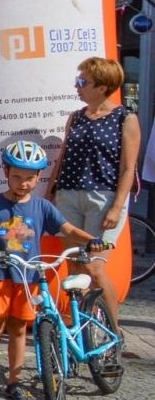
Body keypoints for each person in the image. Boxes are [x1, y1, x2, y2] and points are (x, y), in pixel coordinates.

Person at [0, 140, 101, 400]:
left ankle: (14, 382)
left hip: (29, 278)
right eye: (16, 176)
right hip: (0, 275)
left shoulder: (42, 207)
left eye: (29, 178)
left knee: (18, 329)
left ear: (38, 178)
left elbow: (68, 229)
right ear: (5, 172)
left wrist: (90, 239)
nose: (23, 183)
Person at [46, 56, 140, 325]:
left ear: (102, 86)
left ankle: (113, 330)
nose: (77, 86)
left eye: (82, 81)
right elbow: (63, 156)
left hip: (104, 198)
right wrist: (51, 191)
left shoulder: (125, 118)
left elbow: (127, 168)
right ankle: (79, 324)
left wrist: (117, 205)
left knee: (95, 267)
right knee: (74, 264)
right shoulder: (76, 117)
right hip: (69, 196)